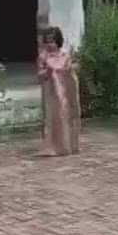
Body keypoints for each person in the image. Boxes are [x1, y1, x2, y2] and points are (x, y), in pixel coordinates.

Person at [36, 27, 81, 157]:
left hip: (65, 90)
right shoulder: (43, 56)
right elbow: (39, 75)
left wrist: (71, 68)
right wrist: (48, 72)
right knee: (53, 116)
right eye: (48, 41)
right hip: (51, 91)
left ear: (58, 41)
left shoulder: (65, 54)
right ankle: (53, 146)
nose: (50, 44)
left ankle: (68, 144)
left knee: (67, 115)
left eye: (53, 41)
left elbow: (69, 69)